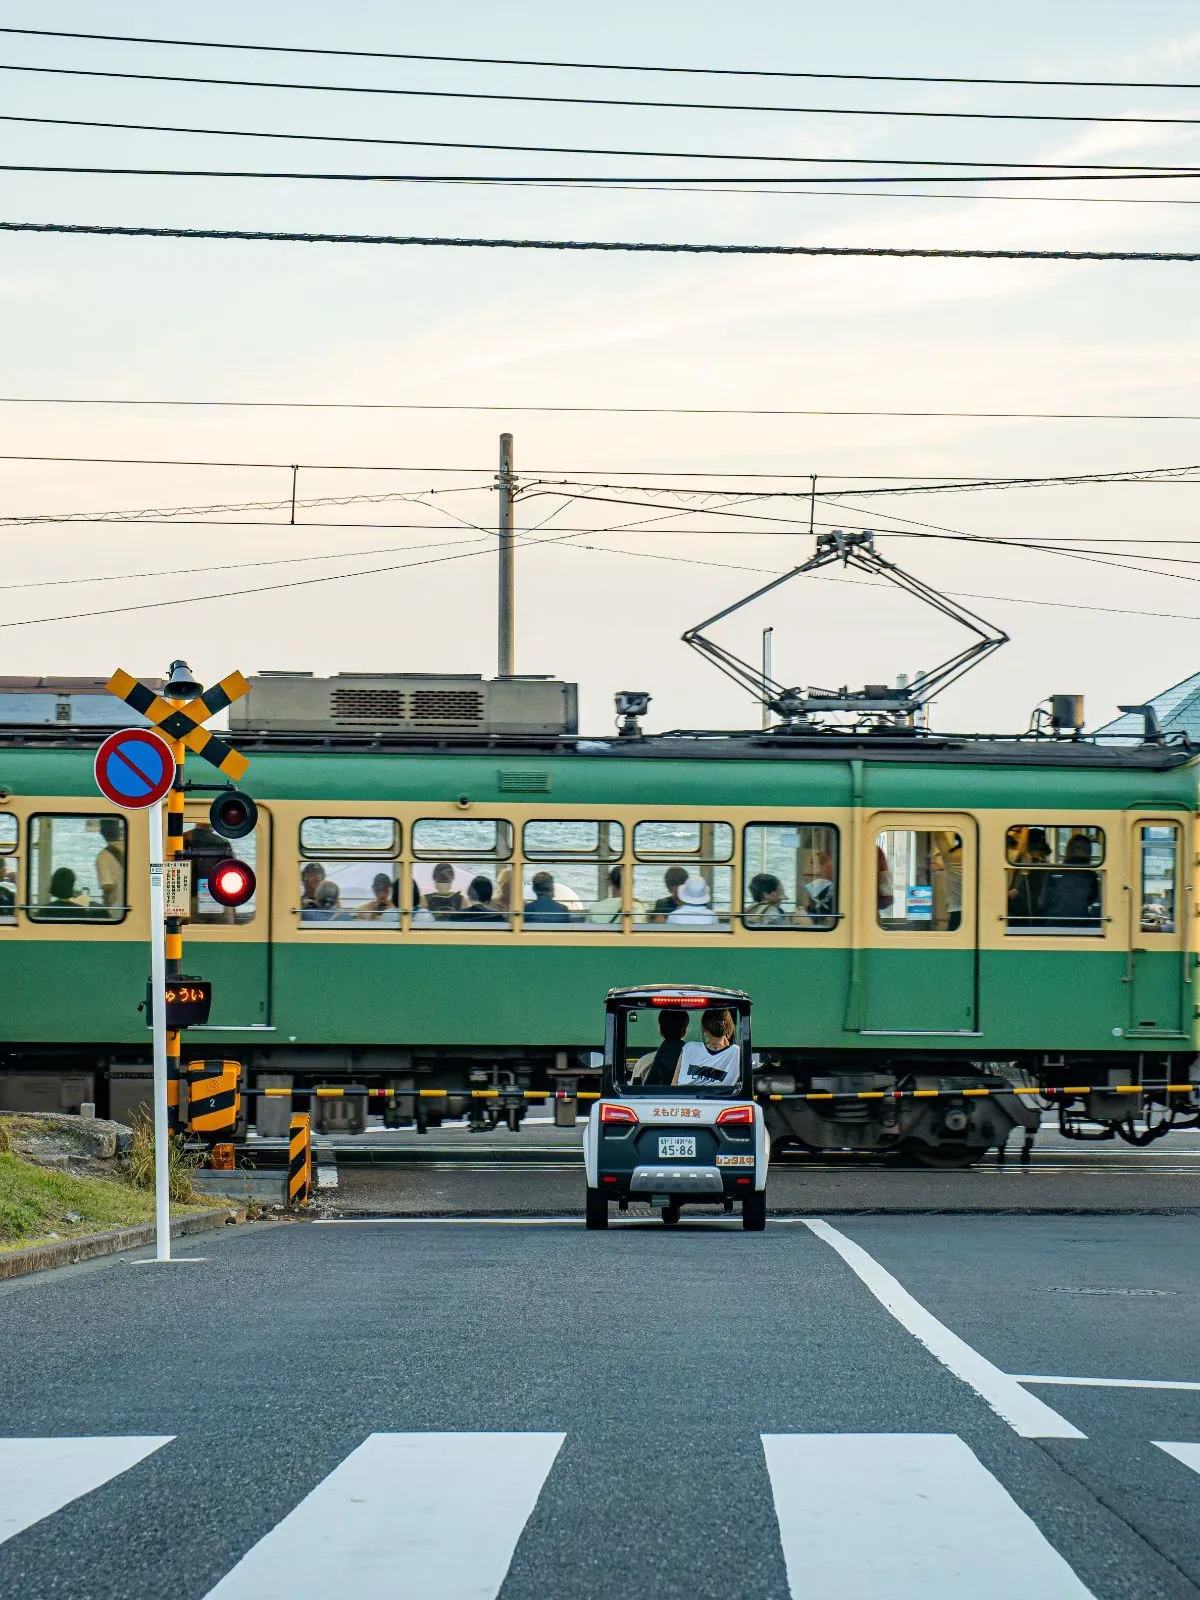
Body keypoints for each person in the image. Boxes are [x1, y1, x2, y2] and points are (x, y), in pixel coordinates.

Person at [1039, 835, 1101, 931]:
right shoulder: (1091, 876)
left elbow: (1043, 902)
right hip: (1082, 923)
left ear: (1068, 851)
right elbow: (1092, 899)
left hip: (1054, 922)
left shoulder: (1054, 872)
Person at [673, 1008, 740, 1088]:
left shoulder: (689, 1047)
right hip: (717, 1100)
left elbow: (674, 1085)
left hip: (684, 1099)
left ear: (705, 1029)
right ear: (728, 1028)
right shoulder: (737, 1053)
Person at [630, 1007, 689, 1086]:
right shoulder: (699, 1063)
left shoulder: (643, 1063)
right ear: (684, 1031)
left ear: (661, 1031)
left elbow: (633, 1091)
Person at [94, 817, 125, 912]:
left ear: (102, 832)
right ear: (119, 830)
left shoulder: (103, 856)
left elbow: (108, 888)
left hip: (117, 913)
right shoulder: (132, 848)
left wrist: (106, 908)